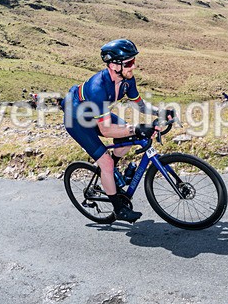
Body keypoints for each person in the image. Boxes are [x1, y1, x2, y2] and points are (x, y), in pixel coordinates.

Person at [62, 39, 174, 223]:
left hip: (96, 114)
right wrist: (137, 128)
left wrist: (160, 112)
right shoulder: (98, 87)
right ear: (113, 65)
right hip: (77, 120)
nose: (134, 66)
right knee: (106, 161)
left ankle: (113, 172)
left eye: (134, 62)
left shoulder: (127, 80)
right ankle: (118, 208)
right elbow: (106, 130)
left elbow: (141, 106)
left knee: (127, 140)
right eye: (129, 63)